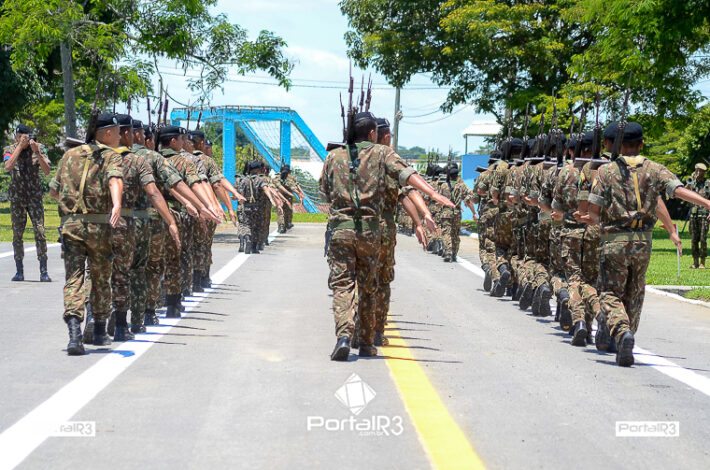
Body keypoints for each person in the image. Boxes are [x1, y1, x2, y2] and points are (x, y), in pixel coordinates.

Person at [320, 111, 454, 361]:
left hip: (340, 231)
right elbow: (407, 175)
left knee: (342, 285)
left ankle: (344, 336)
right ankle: (366, 343)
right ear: (373, 133)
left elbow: (324, 191)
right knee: (369, 286)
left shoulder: (333, 156)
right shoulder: (382, 154)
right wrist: (433, 194)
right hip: (370, 233)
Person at [586, 122, 710, 367]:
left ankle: (622, 331)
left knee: (610, 292)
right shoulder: (655, 169)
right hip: (643, 242)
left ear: (618, 145)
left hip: (614, 241)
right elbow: (678, 190)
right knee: (635, 291)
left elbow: (593, 212)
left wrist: (600, 223)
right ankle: (628, 332)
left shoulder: (605, 171)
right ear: (641, 144)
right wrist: (706, 203)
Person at [49, 113, 124, 355]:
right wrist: (117, 204)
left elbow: (54, 192)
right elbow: (115, 180)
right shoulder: (110, 156)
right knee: (101, 277)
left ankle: (74, 334)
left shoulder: (69, 155)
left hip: (71, 226)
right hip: (98, 227)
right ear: (107, 133)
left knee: (74, 277)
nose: (120, 137)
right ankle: (99, 330)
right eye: (118, 132)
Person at [108, 114, 180, 341]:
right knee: (140, 270)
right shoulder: (142, 159)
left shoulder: (98, 157)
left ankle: (97, 315)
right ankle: (140, 318)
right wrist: (174, 218)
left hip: (103, 222)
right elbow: (158, 190)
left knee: (104, 270)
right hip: (138, 221)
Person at [3, 124, 52, 282]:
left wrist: (36, 151)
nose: (23, 139)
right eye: (20, 137)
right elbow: (8, 166)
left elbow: (47, 170)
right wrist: (19, 147)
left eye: (25, 136)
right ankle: (19, 271)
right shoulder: (9, 149)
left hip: (34, 198)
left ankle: (43, 271)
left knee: (40, 232)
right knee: (17, 234)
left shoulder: (39, 148)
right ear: (16, 136)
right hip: (17, 199)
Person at [686, 163, 709, 268]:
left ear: (704, 172)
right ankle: (695, 262)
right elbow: (684, 193)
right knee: (694, 239)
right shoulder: (692, 183)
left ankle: (702, 262)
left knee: (703, 239)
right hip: (693, 215)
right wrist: (690, 182)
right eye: (697, 170)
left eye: (701, 171)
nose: (699, 173)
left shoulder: (708, 183)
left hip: (704, 215)